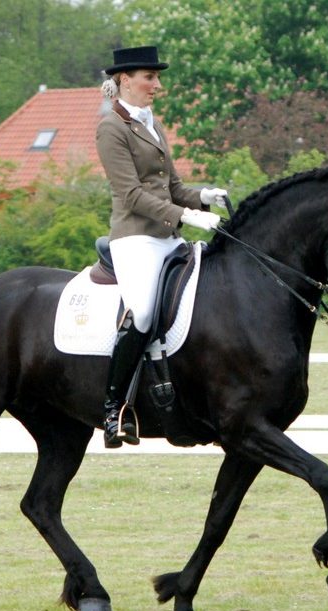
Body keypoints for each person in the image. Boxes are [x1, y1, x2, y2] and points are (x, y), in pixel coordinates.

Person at [96, 45, 227, 448]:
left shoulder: (152, 124)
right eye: (150, 77)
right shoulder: (111, 128)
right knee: (143, 313)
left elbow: (171, 188)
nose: (158, 85)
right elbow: (132, 194)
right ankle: (114, 408)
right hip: (135, 237)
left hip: (167, 237)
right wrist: (186, 216)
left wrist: (204, 196)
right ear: (124, 80)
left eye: (157, 77)